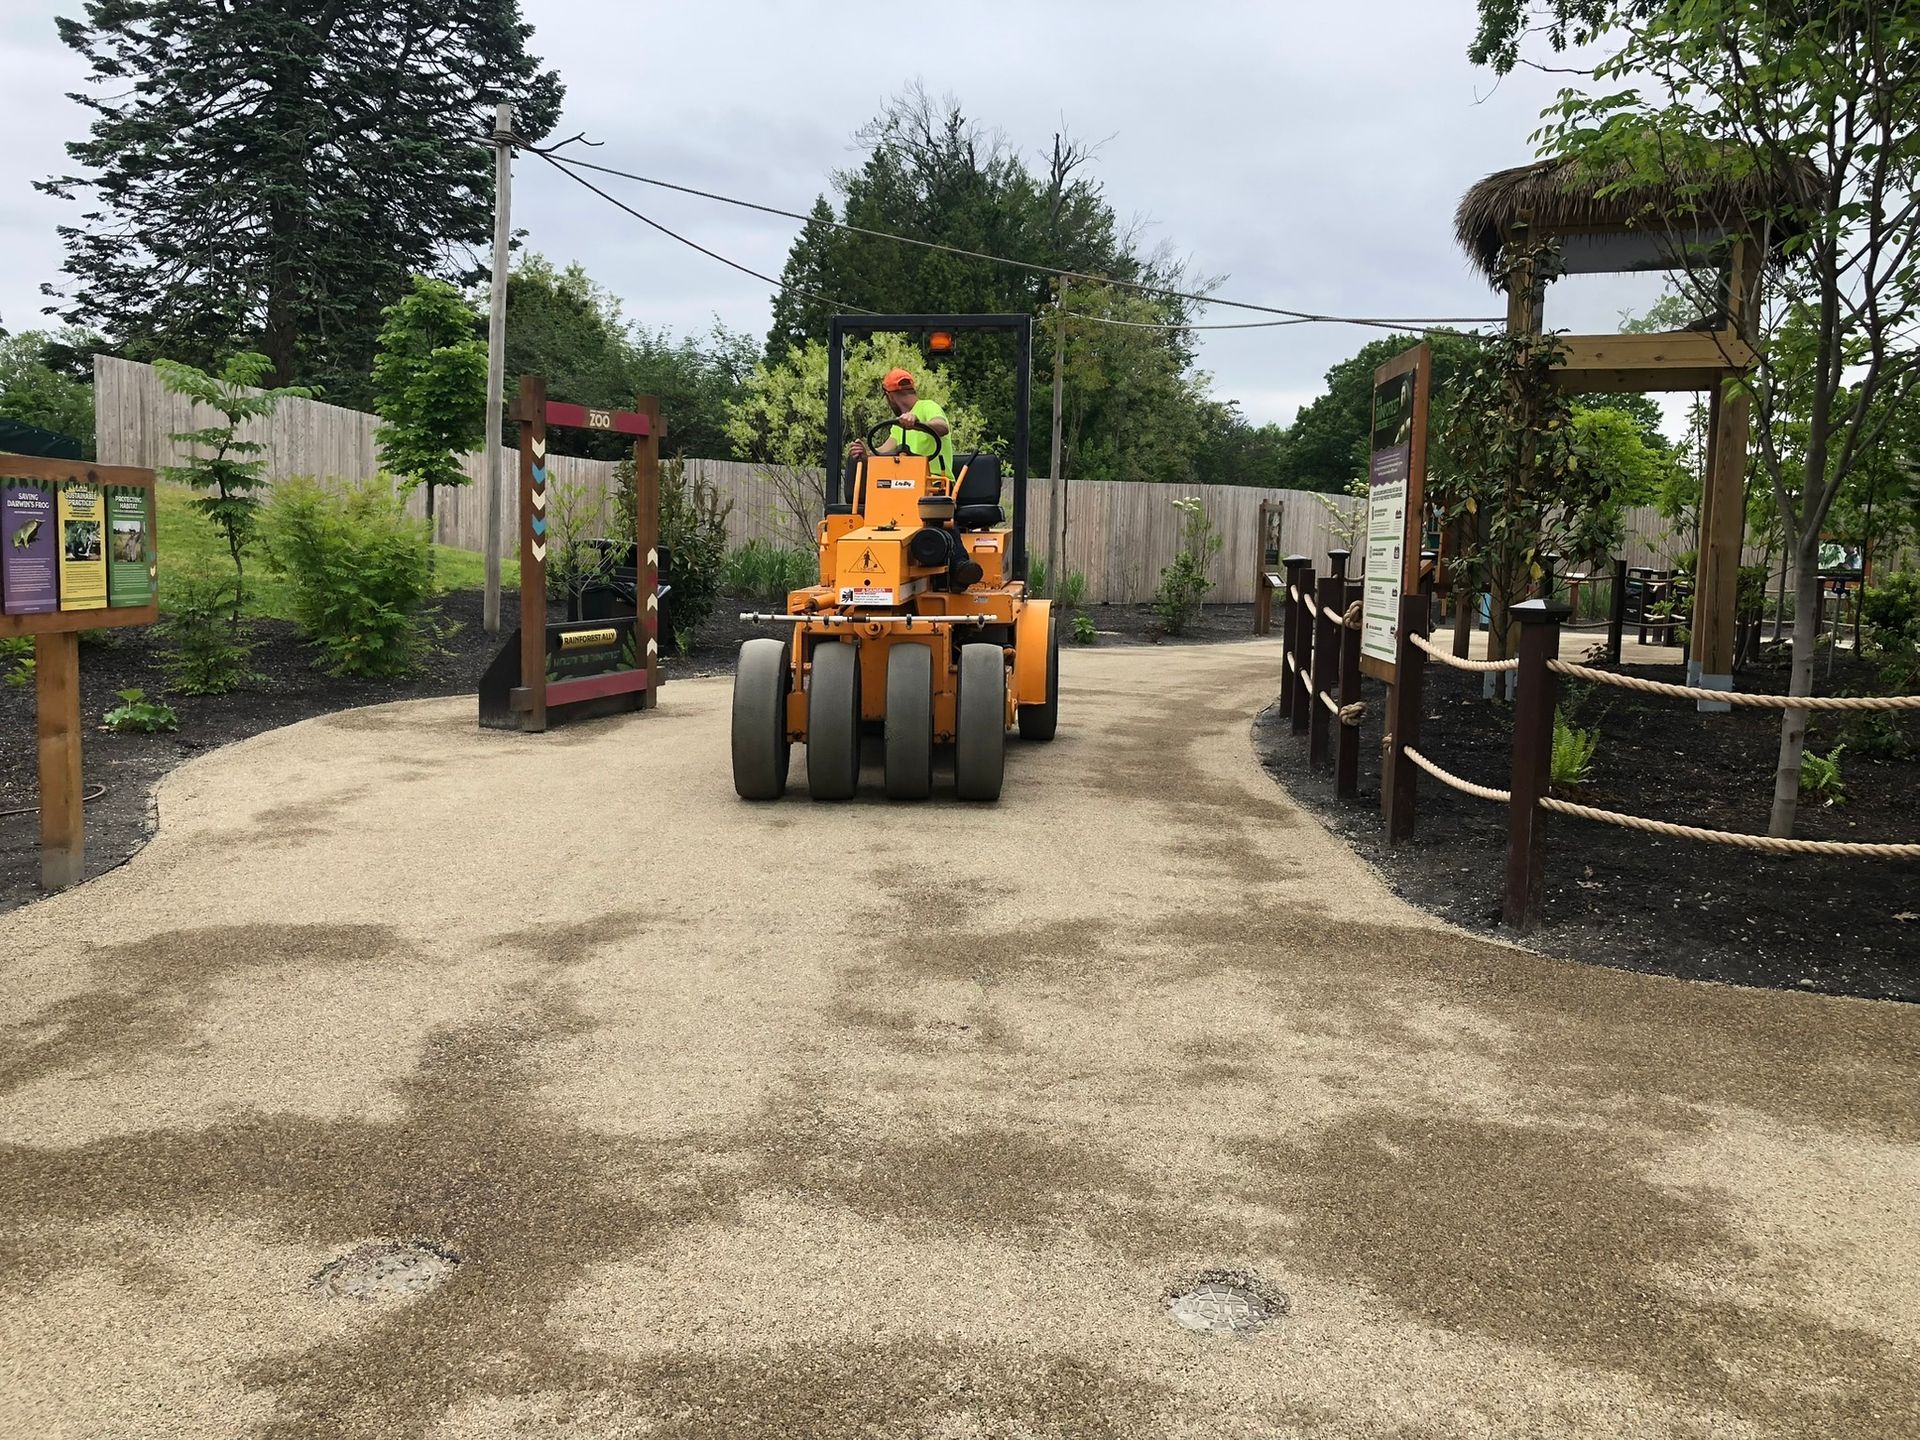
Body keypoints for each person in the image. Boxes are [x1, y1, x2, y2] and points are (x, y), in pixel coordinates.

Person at [849, 367, 952, 477]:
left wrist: (917, 425)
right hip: (906, 485)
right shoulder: (899, 424)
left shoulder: (928, 406)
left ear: (889, 396)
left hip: (935, 483)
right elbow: (882, 452)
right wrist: (866, 453)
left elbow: (943, 427)